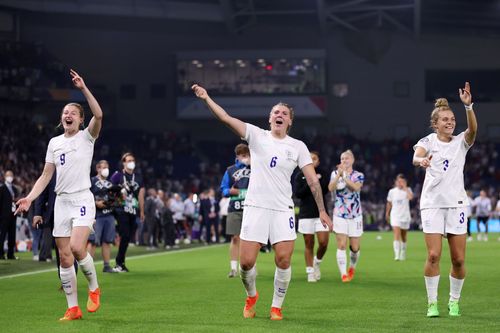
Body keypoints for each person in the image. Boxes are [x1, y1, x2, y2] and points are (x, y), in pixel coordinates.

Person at [192, 84, 332, 321]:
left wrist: (322, 210)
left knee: (284, 259)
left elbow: (313, 181)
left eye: (284, 114)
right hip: (255, 207)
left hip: (282, 209)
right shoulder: (256, 135)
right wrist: (206, 98)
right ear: (269, 118)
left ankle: (276, 306)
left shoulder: (298, 146)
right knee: (246, 263)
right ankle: (252, 296)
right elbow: (225, 118)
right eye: (276, 112)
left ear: (290, 122)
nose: (279, 115)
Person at [15, 69, 103, 321]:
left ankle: (94, 288)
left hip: (82, 198)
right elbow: (45, 175)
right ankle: (72, 308)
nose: (68, 115)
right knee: (64, 257)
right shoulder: (54, 143)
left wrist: (84, 88)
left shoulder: (88, 137)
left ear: (81, 119)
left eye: (73, 113)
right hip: (62, 201)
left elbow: (99, 114)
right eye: (65, 112)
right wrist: (30, 198)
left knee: (77, 247)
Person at [412, 82, 477, 317]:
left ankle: (454, 301)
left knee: (458, 259)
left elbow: (473, 131)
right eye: (445, 120)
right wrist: (422, 162)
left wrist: (468, 106)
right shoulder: (427, 142)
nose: (450, 122)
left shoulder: (461, 142)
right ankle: (432, 303)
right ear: (435, 124)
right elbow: (416, 157)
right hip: (431, 204)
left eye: (452, 119)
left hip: (456, 204)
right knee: (433, 255)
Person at [328, 150, 364, 283]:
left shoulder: (358, 175)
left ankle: (352, 267)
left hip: (355, 215)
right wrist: (338, 175)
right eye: (342, 158)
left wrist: (345, 176)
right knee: (341, 244)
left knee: (354, 248)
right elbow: (331, 188)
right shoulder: (334, 173)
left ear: (352, 160)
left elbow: (355, 188)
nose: (344, 161)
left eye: (347, 158)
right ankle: (343, 274)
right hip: (340, 214)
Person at [295, 151, 329, 282]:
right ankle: (310, 272)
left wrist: (316, 179)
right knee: (309, 243)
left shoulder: (323, 173)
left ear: (318, 161)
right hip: (306, 213)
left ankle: (317, 262)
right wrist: (311, 182)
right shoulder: (299, 175)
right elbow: (298, 193)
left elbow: (325, 190)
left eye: (314, 158)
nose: (312, 160)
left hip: (321, 213)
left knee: (323, 243)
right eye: (309, 158)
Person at [110, 152, 145, 272]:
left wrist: (142, 211)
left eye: (133, 160)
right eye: (129, 160)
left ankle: (121, 263)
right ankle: (119, 263)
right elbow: (109, 190)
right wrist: (119, 193)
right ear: (123, 162)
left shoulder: (138, 177)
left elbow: (141, 195)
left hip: (133, 210)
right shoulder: (117, 175)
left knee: (127, 238)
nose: (131, 162)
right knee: (124, 235)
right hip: (121, 209)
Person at [220, 143, 251, 278]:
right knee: (235, 238)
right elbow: (223, 188)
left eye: (247, 155)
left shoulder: (256, 168)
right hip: (235, 207)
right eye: (242, 155)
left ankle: (249, 266)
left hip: (252, 208)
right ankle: (233, 268)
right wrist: (229, 191)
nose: (244, 158)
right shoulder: (230, 170)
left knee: (250, 239)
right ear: (237, 156)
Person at [89, 160, 117, 272]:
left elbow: (115, 199)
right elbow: (87, 196)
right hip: (97, 216)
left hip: (109, 215)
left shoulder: (110, 183)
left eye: (107, 167)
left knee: (107, 241)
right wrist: (96, 203)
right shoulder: (92, 181)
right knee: (93, 241)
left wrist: (114, 201)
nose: (105, 169)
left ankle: (106, 265)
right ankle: (88, 266)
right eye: (103, 167)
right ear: (98, 168)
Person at [386, 174, 413, 261]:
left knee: (404, 236)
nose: (399, 183)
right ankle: (397, 255)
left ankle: (403, 252)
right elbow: (389, 203)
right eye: (398, 181)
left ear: (405, 182)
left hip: (405, 216)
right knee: (396, 234)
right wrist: (387, 213)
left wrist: (405, 188)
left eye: (401, 181)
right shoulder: (392, 191)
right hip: (395, 215)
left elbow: (410, 197)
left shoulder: (408, 190)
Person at [0, 170, 20, 260]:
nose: (10, 177)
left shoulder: (15, 189)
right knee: (2, 235)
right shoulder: (2, 188)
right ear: (5, 176)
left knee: (12, 235)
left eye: (11, 175)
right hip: (4, 216)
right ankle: (1, 254)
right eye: (8, 175)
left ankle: (10, 254)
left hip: (13, 215)